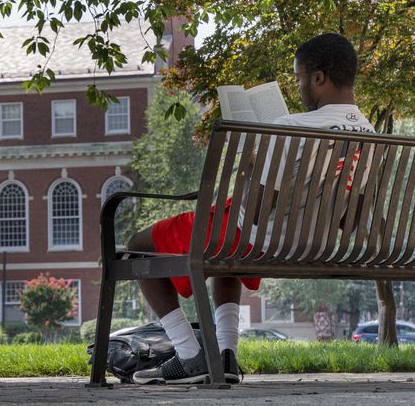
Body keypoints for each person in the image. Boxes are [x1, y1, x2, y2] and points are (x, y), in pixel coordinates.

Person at [127, 33, 375, 385]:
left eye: (299, 78)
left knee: (137, 247)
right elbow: (351, 222)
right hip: (309, 245)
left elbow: (256, 212)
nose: (299, 87)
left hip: (260, 236)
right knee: (226, 252)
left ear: (318, 78)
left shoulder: (291, 128)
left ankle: (188, 354)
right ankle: (225, 355)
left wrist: (250, 167)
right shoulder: (370, 134)